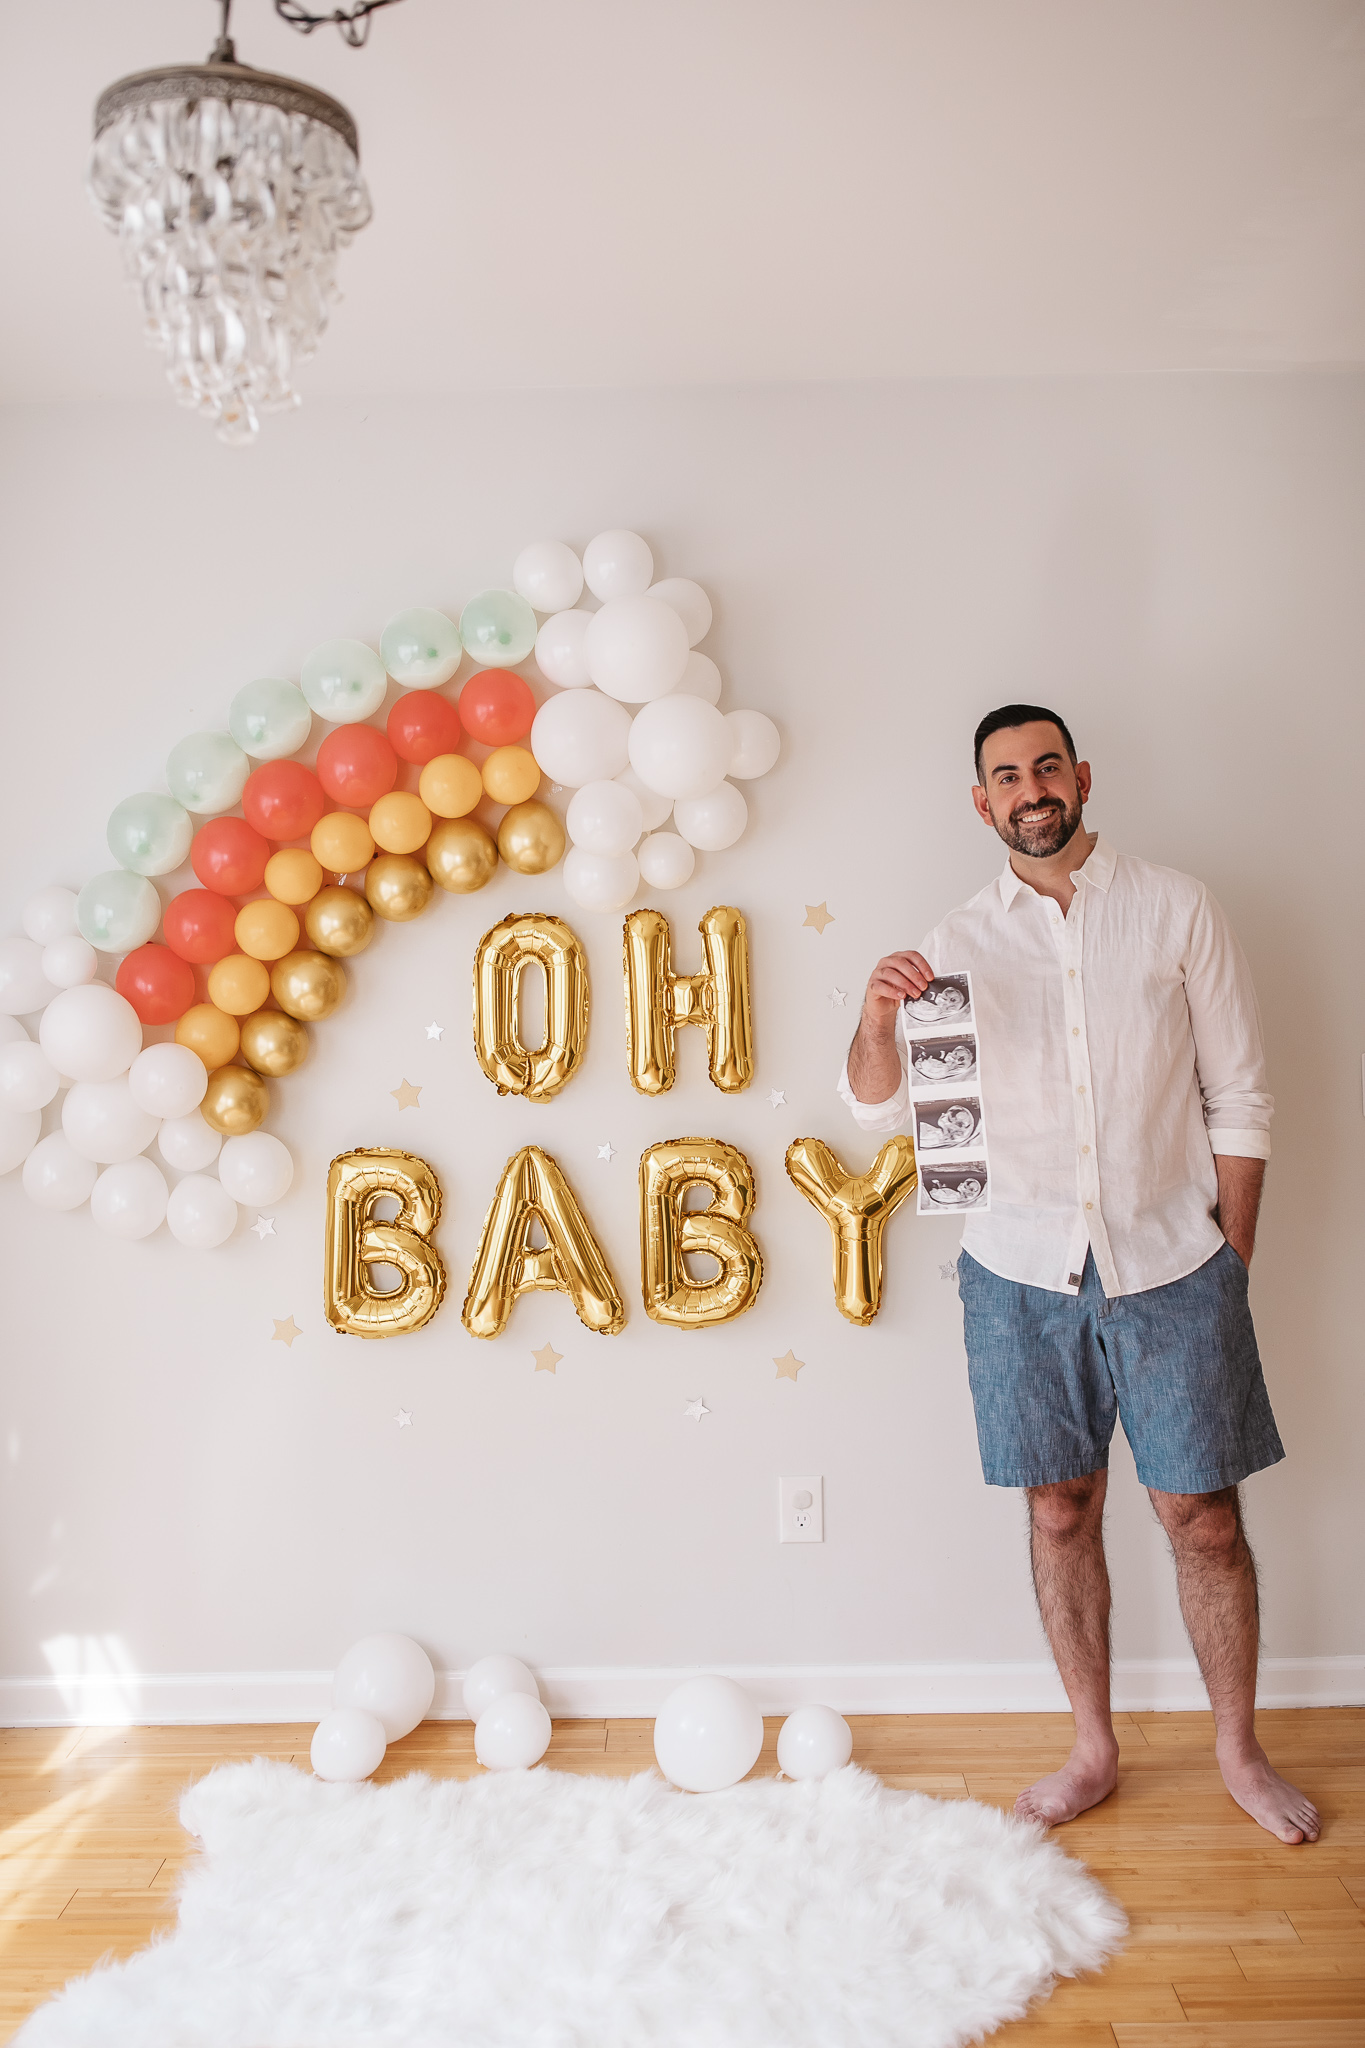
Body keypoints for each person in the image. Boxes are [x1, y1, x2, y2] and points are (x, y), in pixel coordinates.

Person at [838, 704, 1318, 1846]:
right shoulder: (953, 943)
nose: (1031, 786)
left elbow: (1240, 1095)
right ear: (983, 802)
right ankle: (1093, 1746)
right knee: (1060, 1508)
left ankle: (1239, 1749)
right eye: (1006, 774)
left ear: (1082, 774)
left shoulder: (1176, 906)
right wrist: (871, 1016)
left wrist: (1230, 1260)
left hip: (1174, 1259)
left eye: (1047, 763)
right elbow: (873, 1101)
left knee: (1201, 1514)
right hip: (1015, 1272)